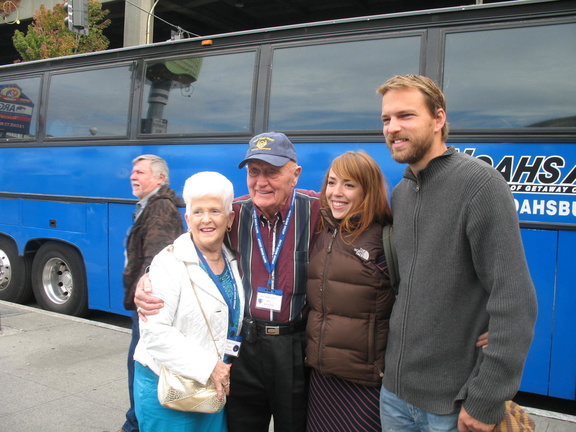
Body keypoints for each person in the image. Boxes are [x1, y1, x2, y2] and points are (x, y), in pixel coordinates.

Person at [376, 74, 537, 432]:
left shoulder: (480, 184)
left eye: (406, 116)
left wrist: (486, 399)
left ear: (438, 119)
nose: (393, 127)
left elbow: (516, 302)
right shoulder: (402, 193)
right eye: (386, 119)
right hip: (396, 397)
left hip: (452, 404)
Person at [135, 132, 321, 432]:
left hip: (292, 346)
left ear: (295, 174)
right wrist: (147, 277)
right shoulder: (234, 212)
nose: (261, 182)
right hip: (244, 347)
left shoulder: (317, 211)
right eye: (253, 172)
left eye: (272, 172)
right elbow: (191, 238)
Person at [133, 171, 245, 431]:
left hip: (212, 389)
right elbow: (155, 333)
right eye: (198, 212)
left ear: (229, 219)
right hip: (168, 387)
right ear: (187, 218)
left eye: (215, 211)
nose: (206, 219)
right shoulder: (167, 263)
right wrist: (210, 367)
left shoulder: (233, 261)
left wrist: (216, 370)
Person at [305, 151, 395, 432]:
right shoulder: (326, 234)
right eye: (332, 183)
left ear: (367, 190)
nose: (336, 193)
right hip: (322, 380)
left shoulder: (385, 240)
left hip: (364, 385)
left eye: (349, 184)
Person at [120, 154, 184, 432]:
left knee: (141, 367)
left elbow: (156, 257)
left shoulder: (160, 208)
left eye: (140, 172)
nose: (133, 176)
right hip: (149, 304)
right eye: (133, 172)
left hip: (149, 306)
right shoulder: (153, 205)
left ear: (159, 178)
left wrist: (145, 287)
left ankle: (135, 425)